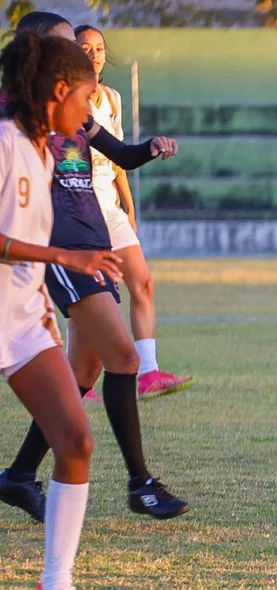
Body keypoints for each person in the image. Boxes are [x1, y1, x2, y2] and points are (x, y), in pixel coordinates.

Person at [0, 11, 189, 523]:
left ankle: (17, 476)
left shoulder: (75, 113)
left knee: (84, 372)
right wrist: (58, 254)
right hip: (62, 250)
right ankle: (140, 483)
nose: (82, 59)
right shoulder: (16, 122)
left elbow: (121, 155)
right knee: (124, 358)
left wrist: (150, 149)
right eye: (67, 48)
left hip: (93, 241)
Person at [0, 30, 120, 590]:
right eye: (85, 97)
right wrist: (62, 256)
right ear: (58, 90)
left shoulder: (43, 148)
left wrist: (46, 290)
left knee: (75, 441)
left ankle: (57, 581)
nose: (90, 110)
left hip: (21, 317)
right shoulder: (4, 142)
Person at [76, 24, 195, 400]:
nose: (93, 54)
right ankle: (78, 381)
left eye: (99, 47)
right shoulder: (62, 102)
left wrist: (127, 204)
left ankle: (149, 372)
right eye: (83, 47)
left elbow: (118, 156)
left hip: (108, 206)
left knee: (141, 283)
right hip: (78, 208)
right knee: (91, 298)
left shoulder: (110, 99)